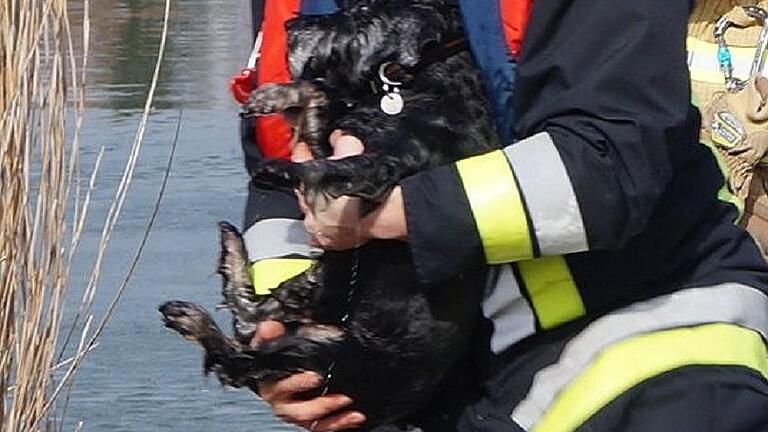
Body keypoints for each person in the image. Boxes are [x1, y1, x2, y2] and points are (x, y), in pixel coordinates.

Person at [239, 0, 768, 431]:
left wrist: (392, 211)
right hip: (431, 384)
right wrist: (290, 338)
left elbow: (611, 163)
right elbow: (276, 173)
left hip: (653, 347)